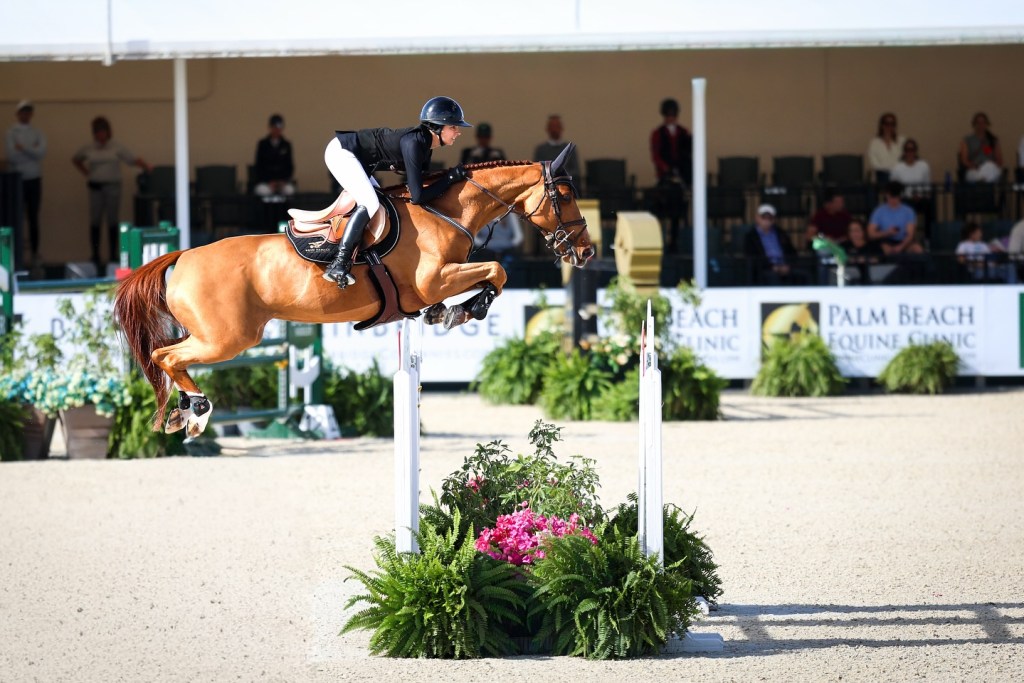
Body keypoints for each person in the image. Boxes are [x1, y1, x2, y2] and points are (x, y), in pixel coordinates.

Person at [320, 96, 471, 288]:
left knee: (379, 203)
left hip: (360, 161)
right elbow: (417, 197)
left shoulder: (425, 146)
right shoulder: (415, 143)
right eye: (453, 127)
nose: (458, 132)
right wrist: (450, 179)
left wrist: (448, 178)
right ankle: (339, 264)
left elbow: (420, 182)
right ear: (437, 127)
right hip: (341, 152)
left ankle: (362, 255)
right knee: (370, 202)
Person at [71, 116, 151, 269]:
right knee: (95, 221)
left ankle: (113, 254)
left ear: (108, 132)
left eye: (103, 131)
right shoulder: (89, 147)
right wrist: (87, 173)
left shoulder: (116, 147)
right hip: (95, 187)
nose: (100, 134)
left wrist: (146, 166)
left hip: (112, 187)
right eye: (98, 132)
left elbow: (132, 159)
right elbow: (76, 159)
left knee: (112, 220)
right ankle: (95, 255)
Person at [4, 100, 46, 269]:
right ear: (18, 114)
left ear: (31, 114)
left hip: (35, 178)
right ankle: (16, 255)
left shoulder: (38, 132)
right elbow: (12, 156)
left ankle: (35, 254)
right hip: (17, 179)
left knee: (34, 217)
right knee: (17, 217)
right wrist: (31, 150)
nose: (25, 115)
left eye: (28, 112)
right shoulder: (11, 132)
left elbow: (41, 153)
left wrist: (23, 148)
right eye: (23, 112)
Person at [742, 203, 806, 285]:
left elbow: (792, 252)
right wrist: (772, 267)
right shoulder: (751, 237)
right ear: (757, 218)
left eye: (770, 218)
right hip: (764, 269)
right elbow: (752, 256)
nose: (767, 221)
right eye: (764, 218)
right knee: (772, 277)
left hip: (785, 267)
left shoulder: (781, 233)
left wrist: (787, 266)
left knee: (804, 275)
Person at [889, 138, 934, 238]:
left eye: (912, 150)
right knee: (906, 207)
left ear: (915, 151)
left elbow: (927, 185)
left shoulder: (924, 166)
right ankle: (906, 236)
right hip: (904, 199)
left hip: (920, 198)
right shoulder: (897, 167)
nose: (910, 153)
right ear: (904, 152)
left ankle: (928, 238)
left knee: (930, 206)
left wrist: (921, 195)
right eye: (907, 150)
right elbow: (894, 187)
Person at [867, 181, 923, 256]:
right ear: (886, 196)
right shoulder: (879, 211)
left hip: (904, 241)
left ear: (900, 196)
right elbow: (871, 233)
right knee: (884, 249)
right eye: (890, 197)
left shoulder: (908, 211)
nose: (892, 200)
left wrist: (901, 246)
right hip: (886, 241)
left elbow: (910, 234)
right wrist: (887, 233)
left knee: (917, 249)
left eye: (895, 197)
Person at [649, 98, 693, 187]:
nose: (671, 118)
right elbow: (656, 155)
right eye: (668, 115)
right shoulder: (657, 133)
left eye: (673, 115)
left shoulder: (684, 131)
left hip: (683, 173)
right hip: (665, 175)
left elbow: (689, 151)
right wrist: (666, 168)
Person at [253, 114, 296, 196]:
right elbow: (259, 166)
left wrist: (282, 181)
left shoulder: (286, 145)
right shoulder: (262, 144)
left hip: (282, 182)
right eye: (274, 127)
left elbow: (289, 166)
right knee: (263, 191)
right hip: (266, 183)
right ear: (270, 127)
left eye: (279, 127)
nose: (277, 130)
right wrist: (269, 181)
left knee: (289, 190)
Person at [958, 112, 1003, 183]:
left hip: (990, 168)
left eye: (983, 123)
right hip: (974, 169)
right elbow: (964, 160)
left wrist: (990, 166)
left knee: (990, 169)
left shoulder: (992, 140)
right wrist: (976, 167)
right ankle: (984, 180)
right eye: (978, 123)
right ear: (974, 124)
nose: (981, 125)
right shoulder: (967, 140)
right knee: (978, 176)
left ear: (987, 124)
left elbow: (999, 160)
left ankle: (984, 179)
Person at [533, 114, 579, 178]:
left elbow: (576, 171)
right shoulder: (541, 150)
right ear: (548, 129)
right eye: (552, 126)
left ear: (561, 128)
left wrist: (561, 176)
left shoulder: (569, 149)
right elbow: (537, 170)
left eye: (557, 126)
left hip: (565, 183)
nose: (554, 129)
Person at [839, 218, 883, 284]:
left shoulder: (873, 245)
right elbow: (840, 260)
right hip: (849, 281)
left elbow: (880, 259)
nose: (854, 233)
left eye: (857, 230)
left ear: (864, 231)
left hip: (872, 280)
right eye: (851, 231)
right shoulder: (843, 246)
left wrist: (865, 260)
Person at [866, 112, 905, 183]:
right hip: (881, 176)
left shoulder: (902, 141)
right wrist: (889, 169)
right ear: (882, 125)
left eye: (892, 124)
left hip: (898, 176)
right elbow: (874, 163)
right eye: (887, 123)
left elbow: (903, 160)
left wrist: (893, 170)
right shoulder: (874, 143)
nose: (889, 127)